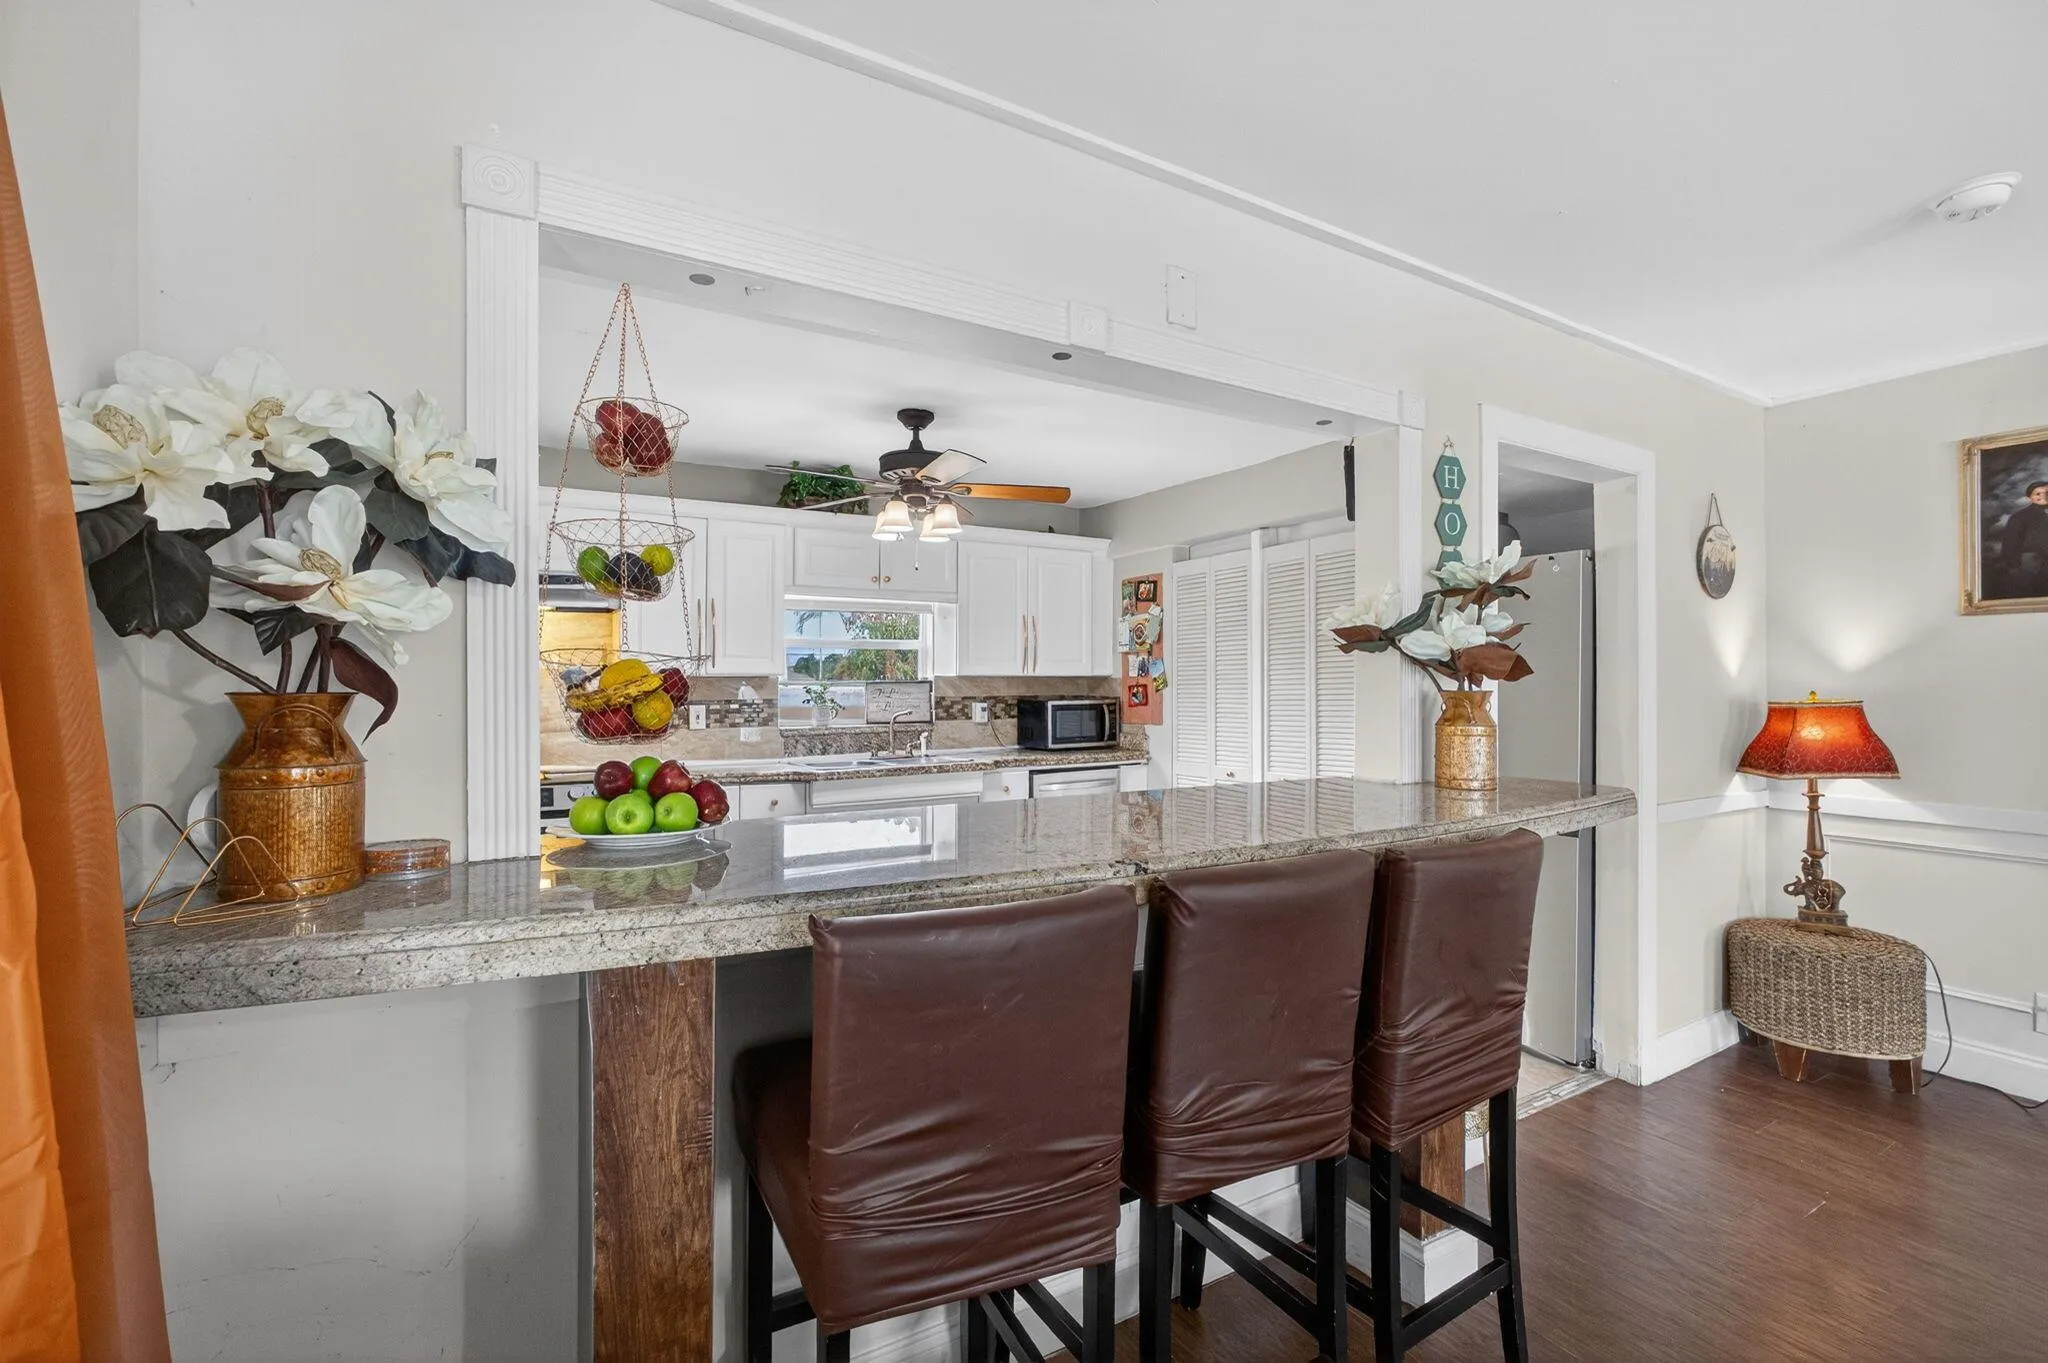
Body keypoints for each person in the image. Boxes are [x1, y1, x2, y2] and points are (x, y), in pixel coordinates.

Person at [1997, 479, 2048, 597]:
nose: (2043, 496)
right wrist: (2014, 567)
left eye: (2046, 493)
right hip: (2032, 565)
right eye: (2038, 494)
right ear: (2030, 497)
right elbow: (2010, 544)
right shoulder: (2020, 517)